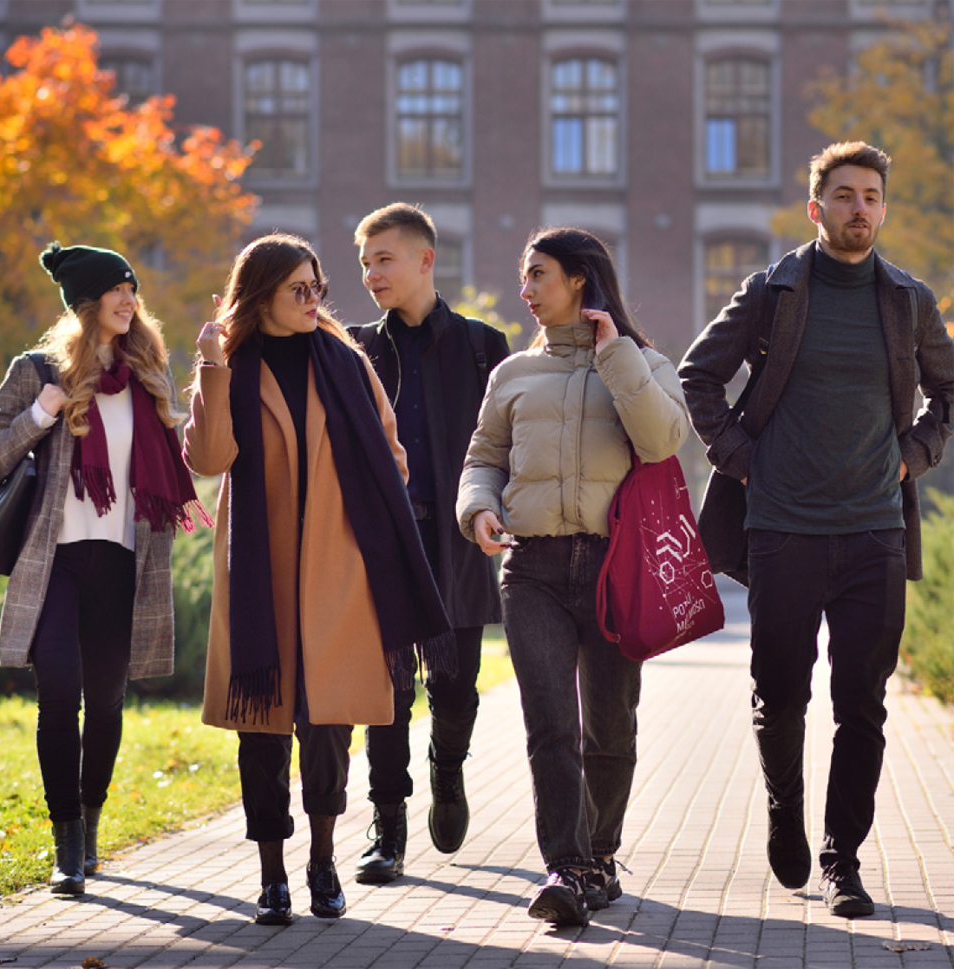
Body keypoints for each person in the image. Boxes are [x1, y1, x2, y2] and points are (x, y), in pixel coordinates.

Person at [678, 141, 953, 918]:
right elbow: (698, 374)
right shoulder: (773, 290)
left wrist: (914, 455)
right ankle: (782, 810)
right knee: (781, 695)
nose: (858, 207)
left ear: (883, 208)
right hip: (783, 530)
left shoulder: (908, 300)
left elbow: (950, 391)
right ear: (816, 207)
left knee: (862, 702)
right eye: (843, 195)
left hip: (873, 530)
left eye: (870, 195)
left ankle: (842, 858)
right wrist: (740, 458)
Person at [183, 233, 453, 926]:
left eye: (318, 288)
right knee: (262, 729)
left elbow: (391, 452)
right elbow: (211, 459)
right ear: (262, 295)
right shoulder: (234, 366)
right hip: (261, 575)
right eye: (299, 290)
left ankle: (323, 862)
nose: (314, 301)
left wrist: (368, 500)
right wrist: (210, 367)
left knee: (328, 726)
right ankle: (272, 874)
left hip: (339, 571)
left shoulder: (343, 361)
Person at [457, 227, 690, 926]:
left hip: (616, 567)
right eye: (524, 277)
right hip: (532, 567)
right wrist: (478, 508)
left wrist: (615, 352)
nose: (525, 291)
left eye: (538, 276)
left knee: (610, 725)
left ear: (580, 281)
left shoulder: (643, 362)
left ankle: (600, 854)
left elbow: (660, 440)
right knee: (550, 722)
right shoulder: (513, 374)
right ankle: (566, 862)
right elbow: (483, 455)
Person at [0, 242, 208, 896]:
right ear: (88, 302)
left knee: (105, 703)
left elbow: (174, 454)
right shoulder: (38, 371)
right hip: (56, 565)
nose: (131, 300)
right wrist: (43, 411)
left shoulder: (147, 372)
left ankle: (93, 814)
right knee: (60, 694)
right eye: (118, 290)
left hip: (123, 562)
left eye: (133, 289)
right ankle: (67, 841)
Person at [348, 203, 511, 883]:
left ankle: (448, 768)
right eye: (363, 262)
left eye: (383, 258)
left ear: (425, 259)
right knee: (384, 692)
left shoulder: (482, 345)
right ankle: (387, 824)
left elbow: (504, 444)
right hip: (381, 544)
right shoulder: (353, 346)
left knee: (454, 686)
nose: (370, 274)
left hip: (454, 543)